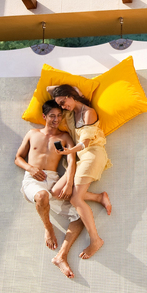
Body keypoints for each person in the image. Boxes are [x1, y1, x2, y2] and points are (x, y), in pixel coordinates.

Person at [14, 100, 109, 278]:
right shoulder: (33, 133)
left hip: (52, 179)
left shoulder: (63, 138)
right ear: (44, 116)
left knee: (81, 217)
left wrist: (67, 182)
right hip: (33, 180)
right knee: (42, 196)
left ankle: (61, 256)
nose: (56, 119)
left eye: (59, 116)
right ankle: (48, 228)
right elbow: (18, 158)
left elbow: (72, 161)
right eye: (52, 116)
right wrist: (30, 168)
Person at [49, 84, 113, 259]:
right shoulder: (71, 111)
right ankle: (98, 197)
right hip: (79, 158)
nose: (62, 107)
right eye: (60, 104)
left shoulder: (88, 112)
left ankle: (95, 240)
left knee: (76, 198)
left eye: (63, 102)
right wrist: (73, 90)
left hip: (92, 154)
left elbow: (85, 142)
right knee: (56, 191)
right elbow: (49, 88)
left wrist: (69, 152)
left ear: (70, 96)